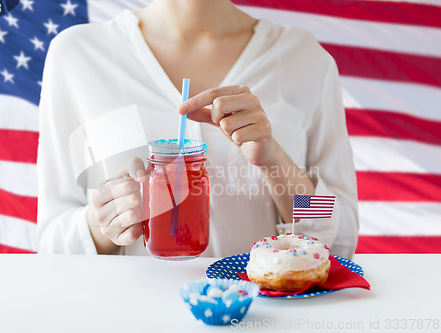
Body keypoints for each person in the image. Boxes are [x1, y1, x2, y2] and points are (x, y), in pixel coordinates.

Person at [36, 0, 359, 258]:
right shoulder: (79, 54)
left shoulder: (303, 57)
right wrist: (104, 219)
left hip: (262, 316)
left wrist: (275, 162)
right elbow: (52, 241)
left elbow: (340, 235)